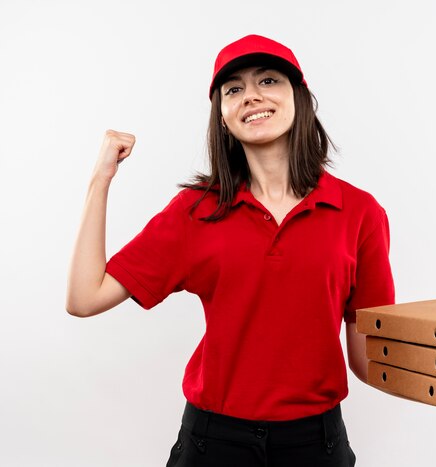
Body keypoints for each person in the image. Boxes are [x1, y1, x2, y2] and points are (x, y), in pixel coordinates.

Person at [66, 34, 394, 467]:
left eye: (269, 81)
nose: (251, 96)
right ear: (222, 117)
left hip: (315, 445)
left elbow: (369, 360)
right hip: (213, 443)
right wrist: (100, 180)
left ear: (300, 98)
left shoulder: (359, 212)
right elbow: (84, 297)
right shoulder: (196, 210)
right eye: (233, 89)